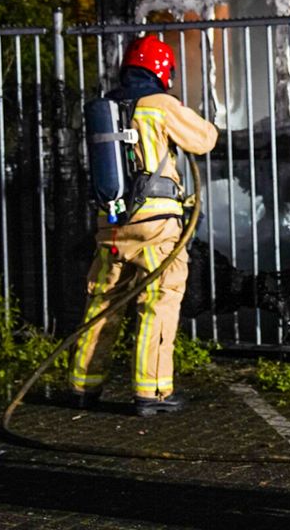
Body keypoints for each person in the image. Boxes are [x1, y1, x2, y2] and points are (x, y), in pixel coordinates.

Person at [68, 35, 218, 417]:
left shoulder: (108, 106)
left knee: (102, 302)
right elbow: (203, 140)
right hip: (155, 227)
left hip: (111, 225)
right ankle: (151, 391)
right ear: (162, 70)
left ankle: (83, 387)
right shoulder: (160, 105)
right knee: (158, 302)